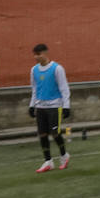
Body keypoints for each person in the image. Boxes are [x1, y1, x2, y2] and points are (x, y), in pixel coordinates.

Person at [29, 44, 71, 173]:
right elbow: (34, 89)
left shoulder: (57, 69)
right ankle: (48, 161)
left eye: (39, 54)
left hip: (54, 106)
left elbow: (64, 88)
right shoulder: (33, 70)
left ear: (45, 53)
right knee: (42, 135)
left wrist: (66, 106)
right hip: (40, 107)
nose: (36, 57)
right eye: (35, 54)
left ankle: (64, 155)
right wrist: (32, 105)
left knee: (55, 133)